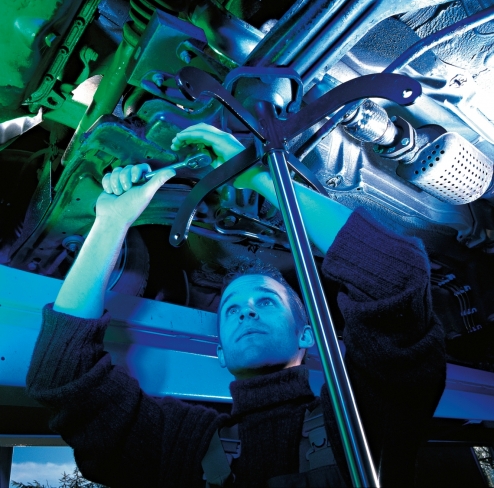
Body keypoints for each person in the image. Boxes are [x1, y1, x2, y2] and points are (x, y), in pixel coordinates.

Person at [26, 123, 446, 487]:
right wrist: (111, 222)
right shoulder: (178, 442)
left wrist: (259, 177)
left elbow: (397, 277)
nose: (246, 311)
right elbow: (64, 378)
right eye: (231, 309)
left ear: (306, 335)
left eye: (266, 301)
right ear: (221, 352)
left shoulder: (366, 419)